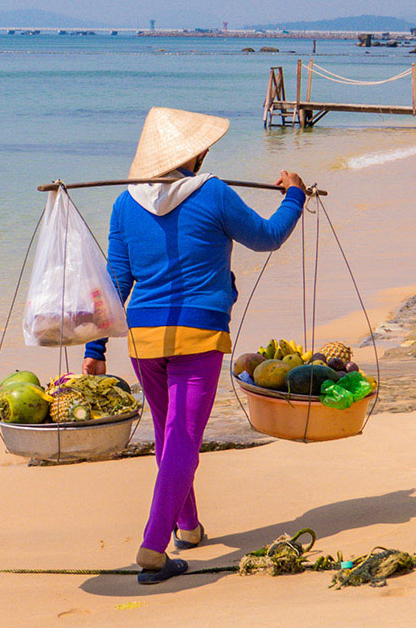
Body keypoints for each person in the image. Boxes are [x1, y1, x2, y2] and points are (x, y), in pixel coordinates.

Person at [82, 108, 306, 584]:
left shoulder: (125, 204)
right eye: (203, 148)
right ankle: (154, 544)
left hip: (144, 340)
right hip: (199, 336)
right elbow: (267, 237)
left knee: (169, 435)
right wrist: (295, 196)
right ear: (194, 153)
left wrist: (97, 347)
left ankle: (188, 526)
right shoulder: (214, 193)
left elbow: (116, 281)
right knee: (182, 439)